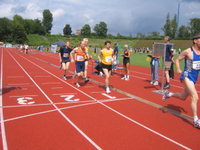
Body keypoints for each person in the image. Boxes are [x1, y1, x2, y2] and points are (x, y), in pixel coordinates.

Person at [163, 33, 200, 128]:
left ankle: (169, 94)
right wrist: (178, 69)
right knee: (195, 97)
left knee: (183, 97)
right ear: (195, 40)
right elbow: (177, 60)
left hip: (194, 77)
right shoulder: (188, 51)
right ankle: (196, 120)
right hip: (186, 76)